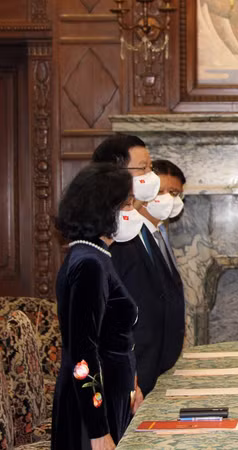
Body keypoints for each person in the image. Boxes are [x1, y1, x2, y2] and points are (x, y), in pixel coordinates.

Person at [51, 163, 143, 449]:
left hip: (111, 397)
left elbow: (113, 337)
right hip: (92, 412)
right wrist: (97, 430)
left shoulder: (96, 255)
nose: (133, 211)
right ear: (104, 209)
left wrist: (132, 384)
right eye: (126, 204)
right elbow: (83, 352)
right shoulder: (89, 263)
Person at [91, 135, 181, 396]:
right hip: (126, 378)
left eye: (150, 168)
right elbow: (105, 319)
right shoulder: (107, 235)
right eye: (143, 168)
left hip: (151, 369)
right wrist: (126, 379)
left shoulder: (137, 226)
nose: (151, 176)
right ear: (115, 172)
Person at [140, 158, 186, 375]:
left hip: (163, 354)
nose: (168, 198)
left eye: (175, 193)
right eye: (161, 191)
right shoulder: (132, 236)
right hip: (144, 354)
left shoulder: (160, 233)